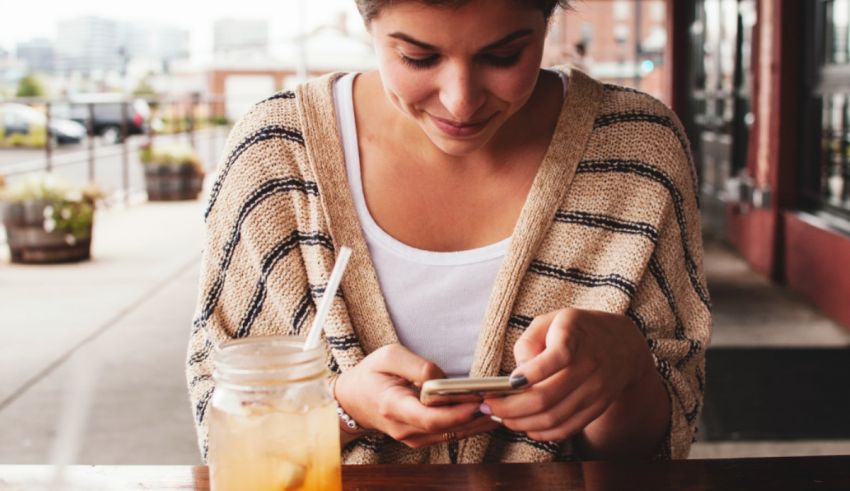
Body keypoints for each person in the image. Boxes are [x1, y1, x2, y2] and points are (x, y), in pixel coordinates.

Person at [186, 0, 711, 465]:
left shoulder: (638, 150)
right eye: (418, 58)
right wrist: (343, 408)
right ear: (367, 23)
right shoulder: (276, 155)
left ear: (547, 21)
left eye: (503, 56)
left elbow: (658, 453)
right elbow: (224, 431)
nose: (461, 101)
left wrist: (628, 369)